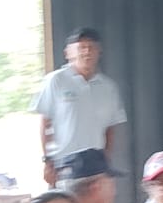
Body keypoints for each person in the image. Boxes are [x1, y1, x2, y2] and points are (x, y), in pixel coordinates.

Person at [35, 26, 127, 186]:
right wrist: (47, 161)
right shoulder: (56, 81)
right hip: (64, 167)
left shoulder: (108, 87)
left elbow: (110, 128)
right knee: (66, 201)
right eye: (81, 47)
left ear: (99, 52)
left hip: (96, 167)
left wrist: (106, 159)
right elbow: (45, 123)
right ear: (68, 53)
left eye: (91, 47)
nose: (87, 52)